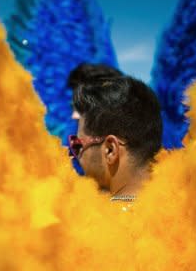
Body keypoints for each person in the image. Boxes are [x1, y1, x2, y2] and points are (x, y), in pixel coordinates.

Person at [68, 73, 163, 202]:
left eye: (77, 145)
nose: (73, 156)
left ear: (110, 150)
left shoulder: (88, 220)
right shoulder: (188, 208)